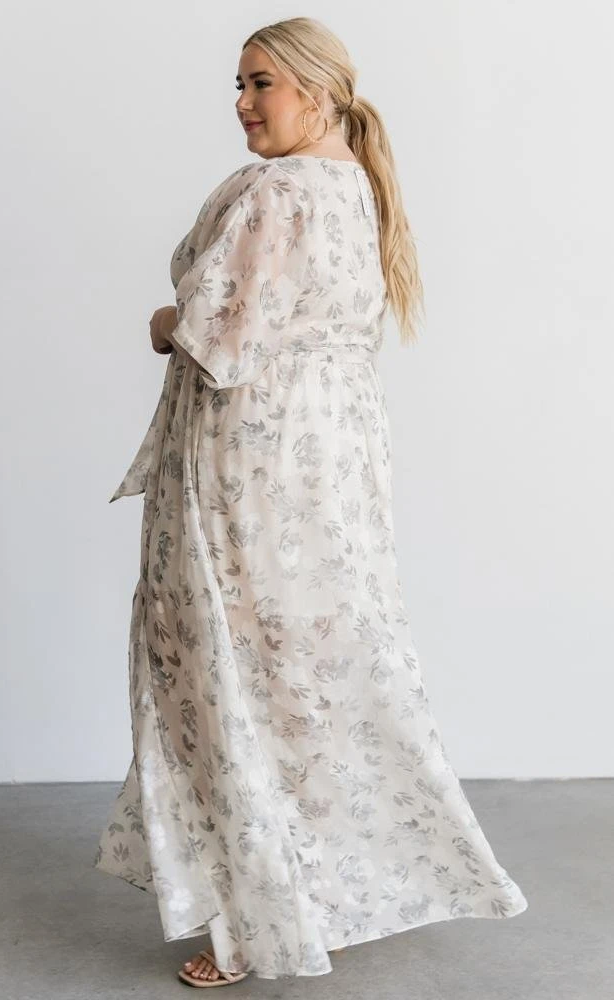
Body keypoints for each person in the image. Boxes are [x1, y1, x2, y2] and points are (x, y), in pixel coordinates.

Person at [93, 16, 529, 987]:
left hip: (252, 459)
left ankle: (258, 923)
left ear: (317, 92)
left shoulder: (275, 191)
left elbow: (218, 335)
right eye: (238, 85)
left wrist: (161, 320)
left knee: (233, 672)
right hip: (335, 455)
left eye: (261, 83)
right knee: (314, 669)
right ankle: (315, 896)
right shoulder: (360, 189)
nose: (243, 104)